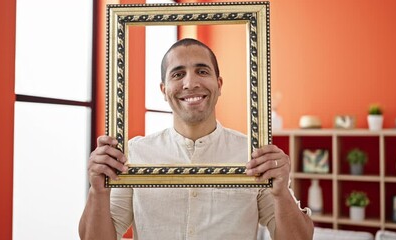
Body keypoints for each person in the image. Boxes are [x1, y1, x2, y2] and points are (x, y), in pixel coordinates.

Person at [79, 38, 314, 240]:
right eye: (178, 74)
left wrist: (282, 192)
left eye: (202, 71)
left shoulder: (254, 156)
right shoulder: (133, 155)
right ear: (163, 90)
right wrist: (97, 192)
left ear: (219, 85)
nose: (190, 83)